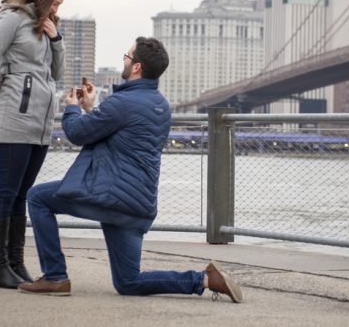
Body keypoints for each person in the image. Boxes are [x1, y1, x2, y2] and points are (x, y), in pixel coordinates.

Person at [19, 37, 243, 302]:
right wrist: (91, 108)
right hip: (136, 202)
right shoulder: (160, 105)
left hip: (112, 198)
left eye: (127, 56)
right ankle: (204, 279)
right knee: (128, 282)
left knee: (37, 198)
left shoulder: (122, 103)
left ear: (136, 67)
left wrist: (71, 108)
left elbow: (77, 133)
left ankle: (55, 276)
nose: (124, 60)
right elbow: (117, 132)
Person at [0, 0, 67, 289]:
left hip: (41, 125)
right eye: (55, 2)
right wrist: (16, 87)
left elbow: (57, 74)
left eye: (60, 5)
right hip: (15, 119)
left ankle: (15, 264)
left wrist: (56, 39)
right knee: (6, 192)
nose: (57, 8)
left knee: (21, 196)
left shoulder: (47, 27)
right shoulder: (12, 18)